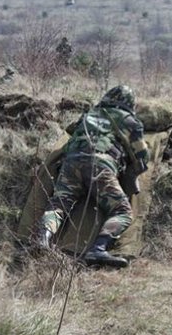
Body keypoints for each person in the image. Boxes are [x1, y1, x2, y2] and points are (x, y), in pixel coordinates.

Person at [36, 85, 149, 268]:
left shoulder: (89, 114)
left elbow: (73, 130)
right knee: (122, 211)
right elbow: (143, 155)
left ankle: (43, 238)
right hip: (100, 167)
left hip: (71, 163)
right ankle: (98, 249)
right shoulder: (129, 120)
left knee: (59, 204)